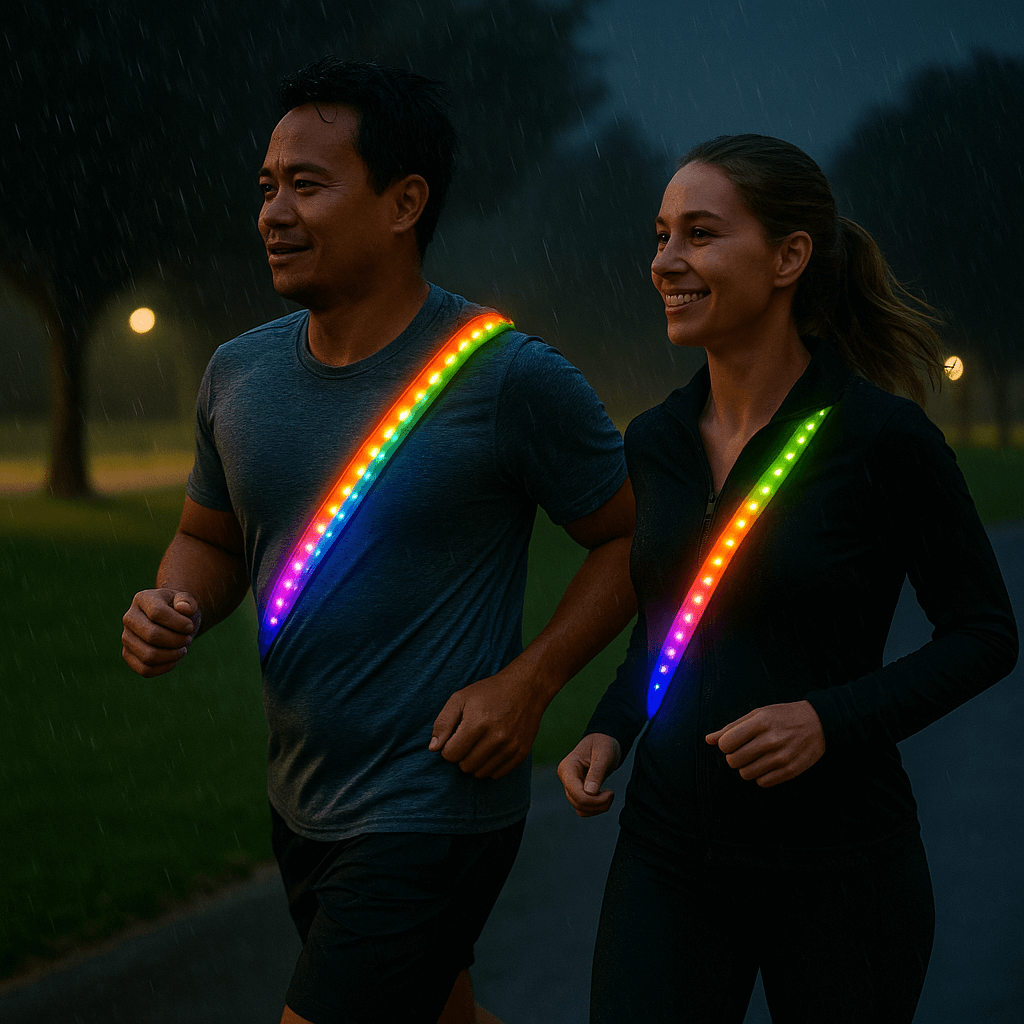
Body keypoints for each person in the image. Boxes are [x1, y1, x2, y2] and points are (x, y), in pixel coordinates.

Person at [120, 57, 636, 1024]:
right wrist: (174, 600)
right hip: (305, 796)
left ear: (404, 203)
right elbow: (208, 536)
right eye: (267, 186)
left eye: (307, 186)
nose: (273, 211)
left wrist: (529, 684)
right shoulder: (237, 375)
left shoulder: (507, 377)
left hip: (435, 807)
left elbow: (628, 539)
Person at [558, 134, 1018, 1023]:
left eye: (699, 234)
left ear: (789, 257)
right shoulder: (655, 440)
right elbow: (671, 621)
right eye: (660, 236)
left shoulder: (881, 439)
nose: (667, 262)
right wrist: (612, 726)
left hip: (842, 867)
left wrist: (827, 718)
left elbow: (987, 633)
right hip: (669, 852)